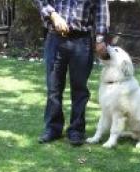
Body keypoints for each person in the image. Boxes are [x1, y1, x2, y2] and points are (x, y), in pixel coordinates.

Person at [33, 0, 110, 146]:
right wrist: (53, 14)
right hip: (55, 38)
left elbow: (101, 9)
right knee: (53, 88)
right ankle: (53, 128)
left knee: (80, 89)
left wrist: (100, 39)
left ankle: (76, 130)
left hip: (82, 40)